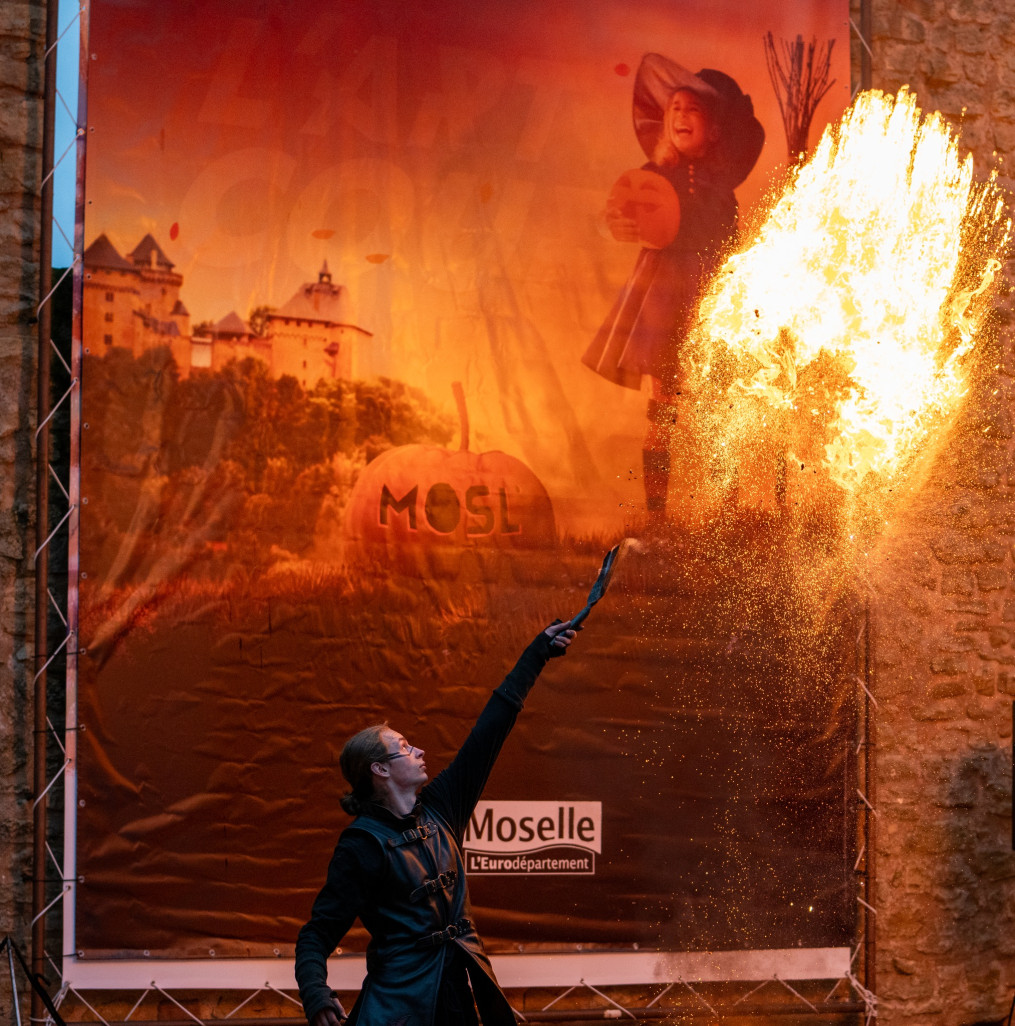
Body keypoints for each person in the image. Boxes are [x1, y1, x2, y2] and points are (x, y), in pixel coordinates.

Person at [295, 619, 579, 1026]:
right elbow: (316, 934)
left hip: (460, 995)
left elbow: (491, 728)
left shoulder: (442, 805)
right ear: (380, 769)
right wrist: (317, 995)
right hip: (401, 1005)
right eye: (405, 747)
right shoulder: (360, 846)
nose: (419, 750)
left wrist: (538, 652)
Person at [582, 53, 764, 529]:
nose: (681, 116)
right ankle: (657, 519)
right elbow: (622, 214)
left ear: (715, 128)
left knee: (720, 407)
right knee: (663, 411)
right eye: (675, 108)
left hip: (715, 303)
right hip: (665, 303)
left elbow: (730, 244)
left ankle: (724, 516)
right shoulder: (653, 177)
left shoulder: (724, 185)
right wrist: (615, 225)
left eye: (694, 110)